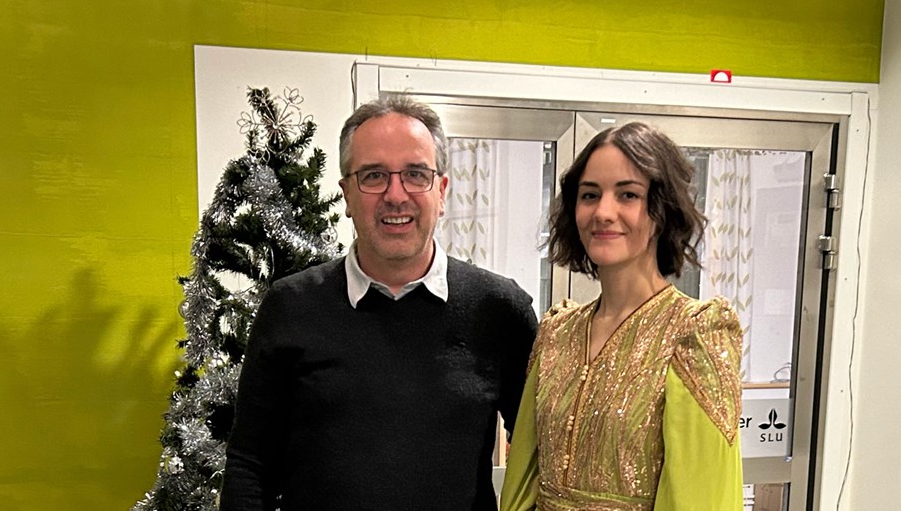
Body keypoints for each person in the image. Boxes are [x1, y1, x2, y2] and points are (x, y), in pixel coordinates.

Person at [220, 95, 538, 511]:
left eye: (415, 174)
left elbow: (540, 457)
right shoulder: (291, 306)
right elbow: (250, 464)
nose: (395, 194)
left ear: (441, 191)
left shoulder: (499, 310)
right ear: (347, 195)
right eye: (373, 176)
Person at [500, 122, 743, 511]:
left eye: (627, 194)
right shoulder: (557, 332)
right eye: (590, 194)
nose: (603, 212)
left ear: (661, 210)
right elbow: (522, 481)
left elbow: (701, 496)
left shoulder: (693, 334)